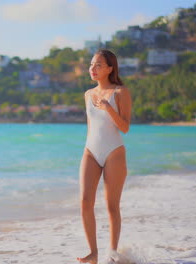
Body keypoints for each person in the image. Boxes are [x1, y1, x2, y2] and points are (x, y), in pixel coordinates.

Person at [77, 49, 132, 263]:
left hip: (114, 152)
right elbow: (92, 127)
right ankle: (93, 253)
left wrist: (109, 108)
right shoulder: (88, 94)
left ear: (110, 68)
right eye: (91, 64)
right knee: (84, 201)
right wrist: (88, 148)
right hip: (90, 151)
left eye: (98, 65)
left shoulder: (120, 92)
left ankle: (112, 254)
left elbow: (125, 127)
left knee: (111, 205)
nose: (93, 68)